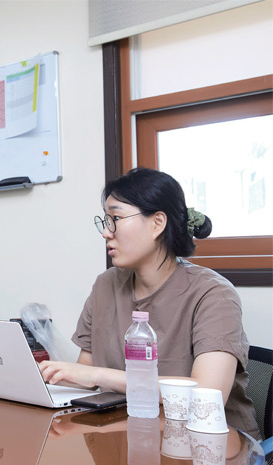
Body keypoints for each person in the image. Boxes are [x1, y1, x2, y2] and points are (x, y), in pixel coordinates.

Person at [38, 167, 259, 439]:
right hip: (129, 434)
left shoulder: (212, 293)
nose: (106, 233)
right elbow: (85, 379)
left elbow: (207, 395)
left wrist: (97, 376)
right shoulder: (105, 286)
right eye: (105, 221)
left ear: (157, 223)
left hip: (210, 444)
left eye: (116, 218)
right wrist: (44, 375)